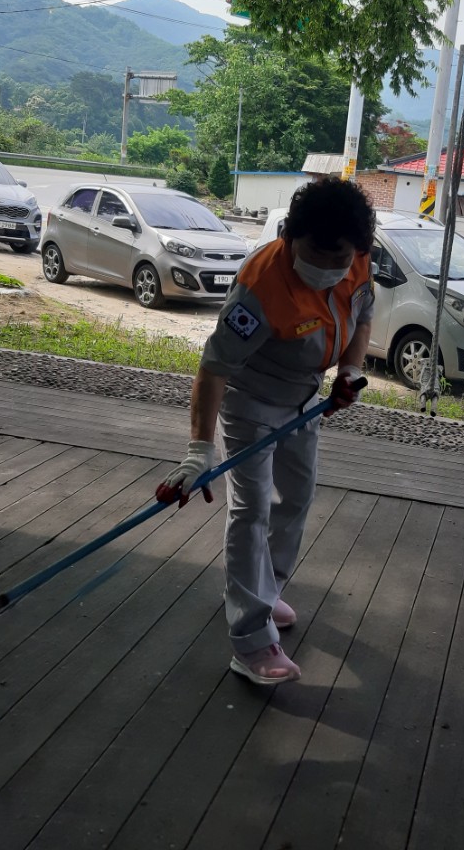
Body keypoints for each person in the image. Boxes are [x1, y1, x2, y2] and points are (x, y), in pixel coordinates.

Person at [157, 177, 375, 686]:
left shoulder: (359, 261)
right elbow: (214, 368)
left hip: (303, 401)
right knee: (251, 510)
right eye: (315, 252)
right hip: (252, 404)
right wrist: (198, 451)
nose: (328, 264)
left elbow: (363, 317)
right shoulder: (260, 289)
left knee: (295, 500)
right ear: (289, 237)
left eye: (339, 255)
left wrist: (348, 372)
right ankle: (252, 642)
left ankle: (264, 590)